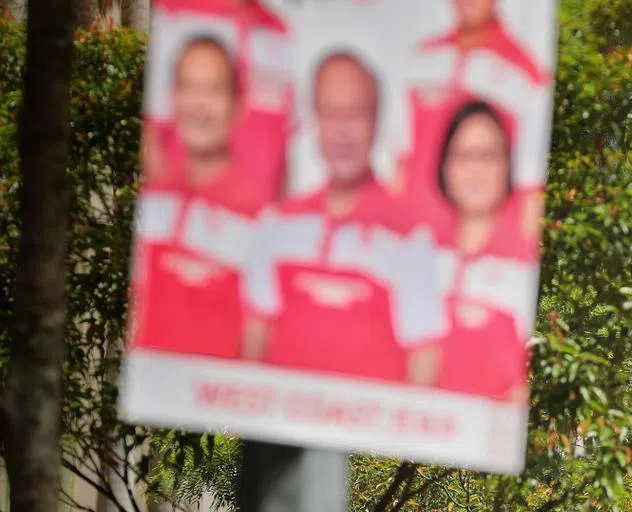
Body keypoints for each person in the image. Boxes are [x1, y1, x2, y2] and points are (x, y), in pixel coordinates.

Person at [243, 52, 445, 381]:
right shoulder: (278, 223)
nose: (342, 130)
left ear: (376, 120)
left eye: (355, 113)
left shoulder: (409, 236)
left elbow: (424, 357)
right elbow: (252, 345)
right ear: (315, 119)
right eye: (331, 112)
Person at [130, 36, 260, 358]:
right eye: (188, 87)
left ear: (236, 104)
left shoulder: (258, 214)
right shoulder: (155, 197)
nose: (199, 104)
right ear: (173, 98)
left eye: (214, 90)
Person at [398, 0, 550, 227]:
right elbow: (399, 162)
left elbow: (529, 192)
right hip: (413, 234)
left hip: (483, 240)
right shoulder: (422, 57)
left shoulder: (528, 76)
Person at [431, 100, 537, 401]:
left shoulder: (525, 266)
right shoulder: (415, 253)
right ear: (444, 165)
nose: (475, 169)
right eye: (463, 156)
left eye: (488, 155)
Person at [142, 0, 292, 206]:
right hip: (173, 196)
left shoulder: (276, 31)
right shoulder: (174, 10)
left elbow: (278, 137)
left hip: (245, 207)